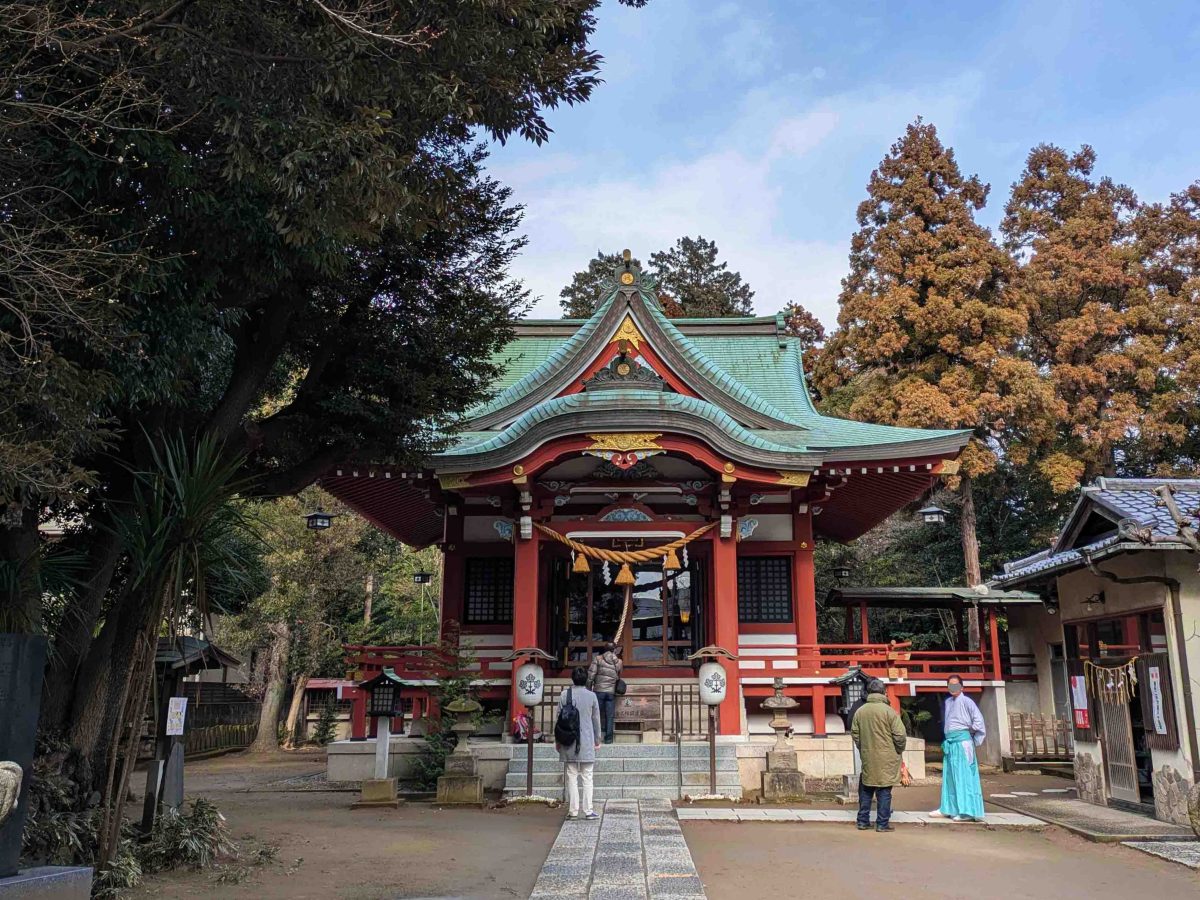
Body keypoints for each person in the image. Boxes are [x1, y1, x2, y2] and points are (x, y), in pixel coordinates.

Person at [850, 678, 907, 832]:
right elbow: (900, 735)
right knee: (884, 790)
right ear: (883, 692)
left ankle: (863, 820)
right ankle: (882, 823)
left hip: (868, 754)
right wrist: (898, 749)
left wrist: (862, 747)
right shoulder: (889, 711)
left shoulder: (860, 711)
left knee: (867, 788)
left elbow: (855, 733)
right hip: (887, 755)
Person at [933, 674, 986, 822]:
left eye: (956, 685)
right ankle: (948, 808)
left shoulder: (967, 701)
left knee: (964, 776)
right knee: (949, 776)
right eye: (950, 685)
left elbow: (978, 721)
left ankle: (967, 811)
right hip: (951, 742)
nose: (953, 688)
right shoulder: (949, 702)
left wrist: (969, 733)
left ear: (962, 687)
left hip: (962, 742)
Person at [556, 666, 602, 819]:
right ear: (586, 679)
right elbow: (596, 720)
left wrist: (557, 741)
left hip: (568, 740)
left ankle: (573, 811)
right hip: (587, 740)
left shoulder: (564, 695)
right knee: (588, 777)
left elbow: (558, 720)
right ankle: (588, 810)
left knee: (572, 776)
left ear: (572, 679)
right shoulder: (592, 696)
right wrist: (598, 739)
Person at [588, 643, 623, 744]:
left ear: (605, 649)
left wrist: (588, 689)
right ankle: (608, 739)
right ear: (614, 650)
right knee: (609, 716)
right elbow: (618, 676)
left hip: (599, 690)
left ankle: (595, 738)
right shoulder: (619, 662)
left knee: (595, 715)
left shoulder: (598, 659)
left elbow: (591, 675)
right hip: (611, 692)